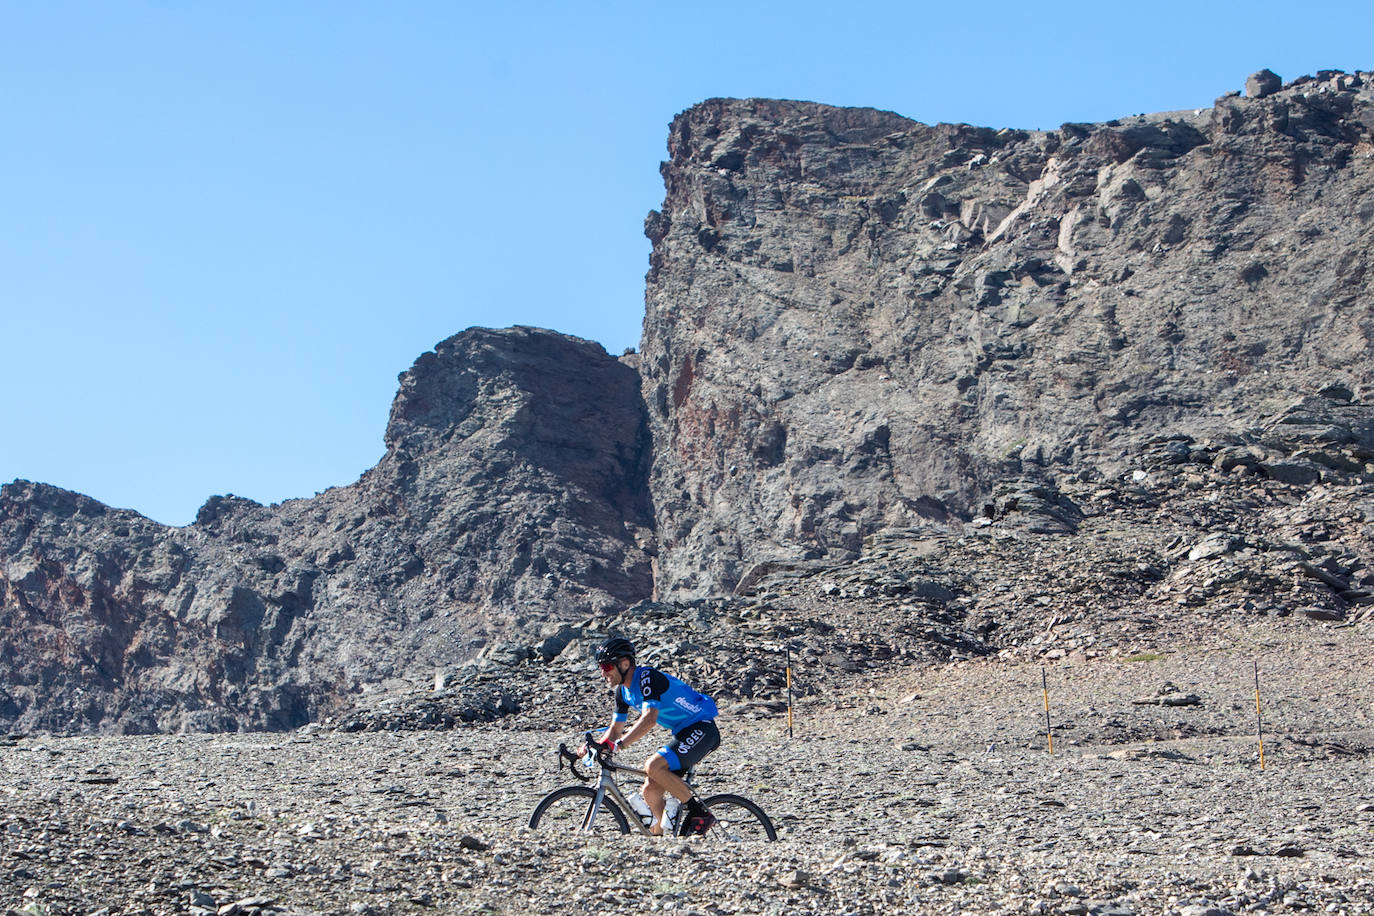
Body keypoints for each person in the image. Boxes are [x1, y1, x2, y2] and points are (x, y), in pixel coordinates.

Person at [587, 636, 719, 836]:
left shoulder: (646, 677)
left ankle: (699, 812)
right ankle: (660, 842)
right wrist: (593, 748)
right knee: (650, 791)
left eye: (606, 666)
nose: (603, 673)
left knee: (653, 766)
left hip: (703, 728)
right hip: (683, 732)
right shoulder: (622, 693)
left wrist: (619, 745)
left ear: (624, 664)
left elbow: (649, 719)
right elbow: (614, 731)